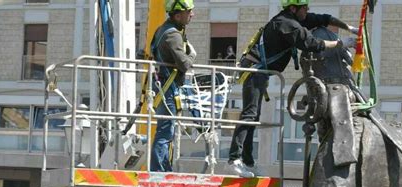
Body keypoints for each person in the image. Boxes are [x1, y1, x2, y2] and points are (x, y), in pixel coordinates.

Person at [227, 0, 358, 177]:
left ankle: (248, 162)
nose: (307, 11)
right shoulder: (286, 24)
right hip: (255, 72)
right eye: (305, 8)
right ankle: (233, 160)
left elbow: (324, 19)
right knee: (250, 115)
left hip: (260, 73)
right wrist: (341, 44)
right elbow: (312, 44)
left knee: (253, 116)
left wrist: (349, 27)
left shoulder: (295, 19)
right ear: (293, 8)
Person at [150, 0, 196, 172]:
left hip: (164, 85)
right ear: (177, 15)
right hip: (167, 87)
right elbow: (184, 64)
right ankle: (158, 170)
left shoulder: (163, 30)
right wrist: (192, 55)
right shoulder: (173, 35)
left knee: (166, 129)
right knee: (165, 131)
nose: (192, 14)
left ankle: (163, 167)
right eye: (189, 11)